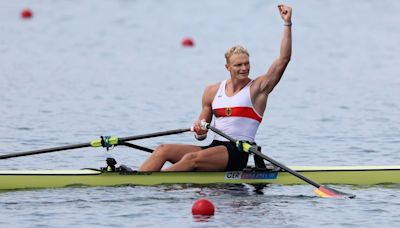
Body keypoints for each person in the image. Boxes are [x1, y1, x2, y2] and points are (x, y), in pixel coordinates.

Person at [139, 4, 292, 172]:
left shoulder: (257, 89)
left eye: (247, 63)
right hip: (215, 148)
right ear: (228, 67)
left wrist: (287, 24)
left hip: (238, 151)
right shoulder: (212, 91)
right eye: (238, 65)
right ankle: (138, 182)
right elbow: (201, 135)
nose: (244, 68)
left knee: (190, 159)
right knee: (162, 149)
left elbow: (283, 59)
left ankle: (156, 186)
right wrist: (199, 129)